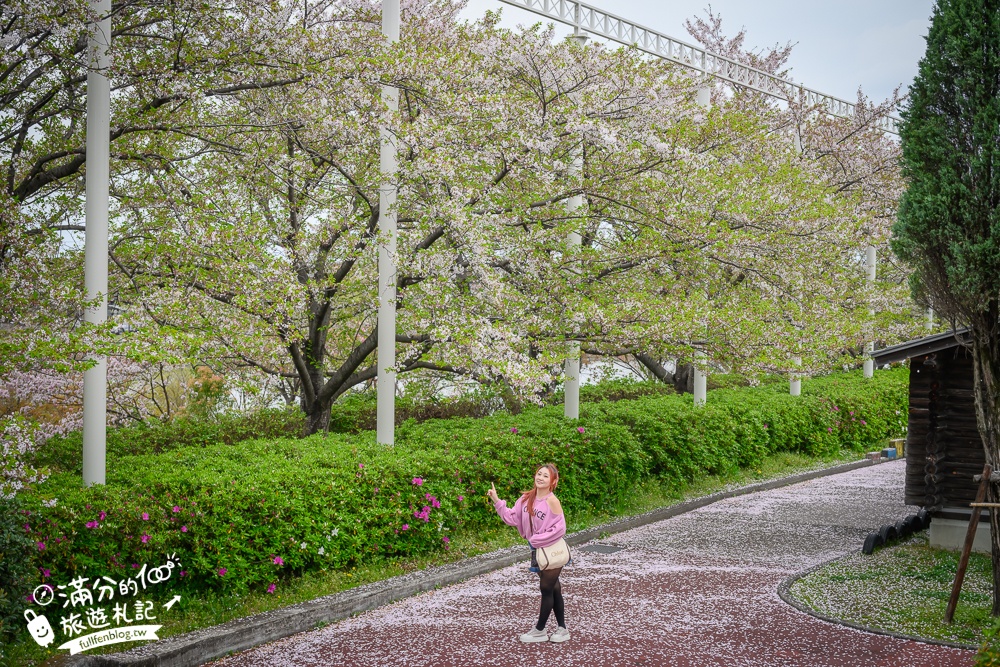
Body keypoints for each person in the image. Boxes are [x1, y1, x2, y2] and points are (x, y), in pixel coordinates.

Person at [488, 463, 570, 643]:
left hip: (551, 550)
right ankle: (562, 628)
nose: (540, 478)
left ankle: (540, 630)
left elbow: (560, 529)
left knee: (546, 588)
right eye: (539, 474)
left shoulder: (552, 501)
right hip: (537, 550)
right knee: (554, 588)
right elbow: (511, 518)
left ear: (553, 482)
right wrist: (496, 500)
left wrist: (536, 540)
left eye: (545, 476)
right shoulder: (526, 499)